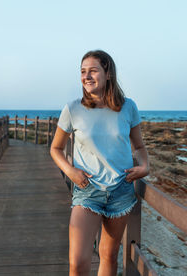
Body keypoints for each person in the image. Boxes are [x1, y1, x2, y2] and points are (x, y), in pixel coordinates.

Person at [50, 50, 149, 276]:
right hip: (87, 191)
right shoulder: (73, 108)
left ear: (108, 74)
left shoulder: (128, 107)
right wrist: (70, 171)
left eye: (93, 70)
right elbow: (55, 148)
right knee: (77, 263)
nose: (87, 76)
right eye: (83, 72)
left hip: (122, 191)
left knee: (109, 256)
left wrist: (145, 167)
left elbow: (140, 147)